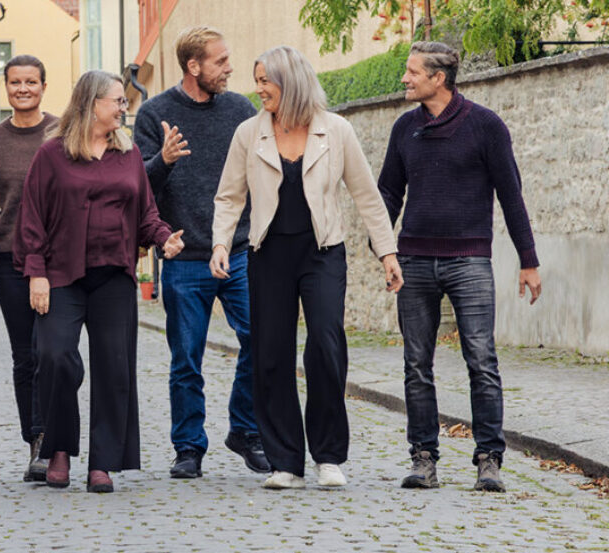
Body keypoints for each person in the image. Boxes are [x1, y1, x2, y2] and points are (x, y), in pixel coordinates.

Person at [210, 46, 403, 490]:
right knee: (271, 354)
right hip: (268, 254)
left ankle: (329, 456)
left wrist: (387, 252)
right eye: (257, 80)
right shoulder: (248, 133)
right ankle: (285, 462)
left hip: (322, 253)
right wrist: (222, 243)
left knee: (326, 347)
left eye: (266, 81)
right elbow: (229, 196)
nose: (258, 89)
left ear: (290, 81)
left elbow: (366, 195)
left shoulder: (336, 130)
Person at [377, 41, 542, 493]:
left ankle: (489, 460)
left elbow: (511, 196)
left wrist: (529, 261)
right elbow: (387, 193)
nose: (405, 78)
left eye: (413, 72)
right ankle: (423, 459)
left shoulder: (486, 126)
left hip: (469, 261)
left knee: (481, 360)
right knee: (416, 364)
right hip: (412, 260)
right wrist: (383, 249)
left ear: (438, 78)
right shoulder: (403, 129)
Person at [15, 70, 185, 494]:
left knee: (114, 366)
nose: (123, 108)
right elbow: (31, 216)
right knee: (55, 357)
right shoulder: (52, 153)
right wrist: (36, 271)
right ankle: (57, 448)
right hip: (61, 275)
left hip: (114, 275)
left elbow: (144, 211)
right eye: (117, 101)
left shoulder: (126, 153)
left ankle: (103, 461)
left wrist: (164, 238)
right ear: (92, 104)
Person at [133, 26, 270, 479]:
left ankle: (245, 430)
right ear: (193, 67)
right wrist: (164, 160)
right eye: (220, 61)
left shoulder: (240, 110)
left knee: (260, 340)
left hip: (239, 252)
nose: (230, 68)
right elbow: (139, 189)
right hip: (184, 257)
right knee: (186, 358)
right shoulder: (154, 114)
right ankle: (188, 447)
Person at [0, 54, 59, 483]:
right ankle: (37, 440)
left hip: (58, 262)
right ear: (6, 87)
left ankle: (59, 437)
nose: (23, 89)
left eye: (31, 82)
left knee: (53, 353)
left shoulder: (61, 131)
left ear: (43, 86)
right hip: (9, 260)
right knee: (25, 355)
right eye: (15, 82)